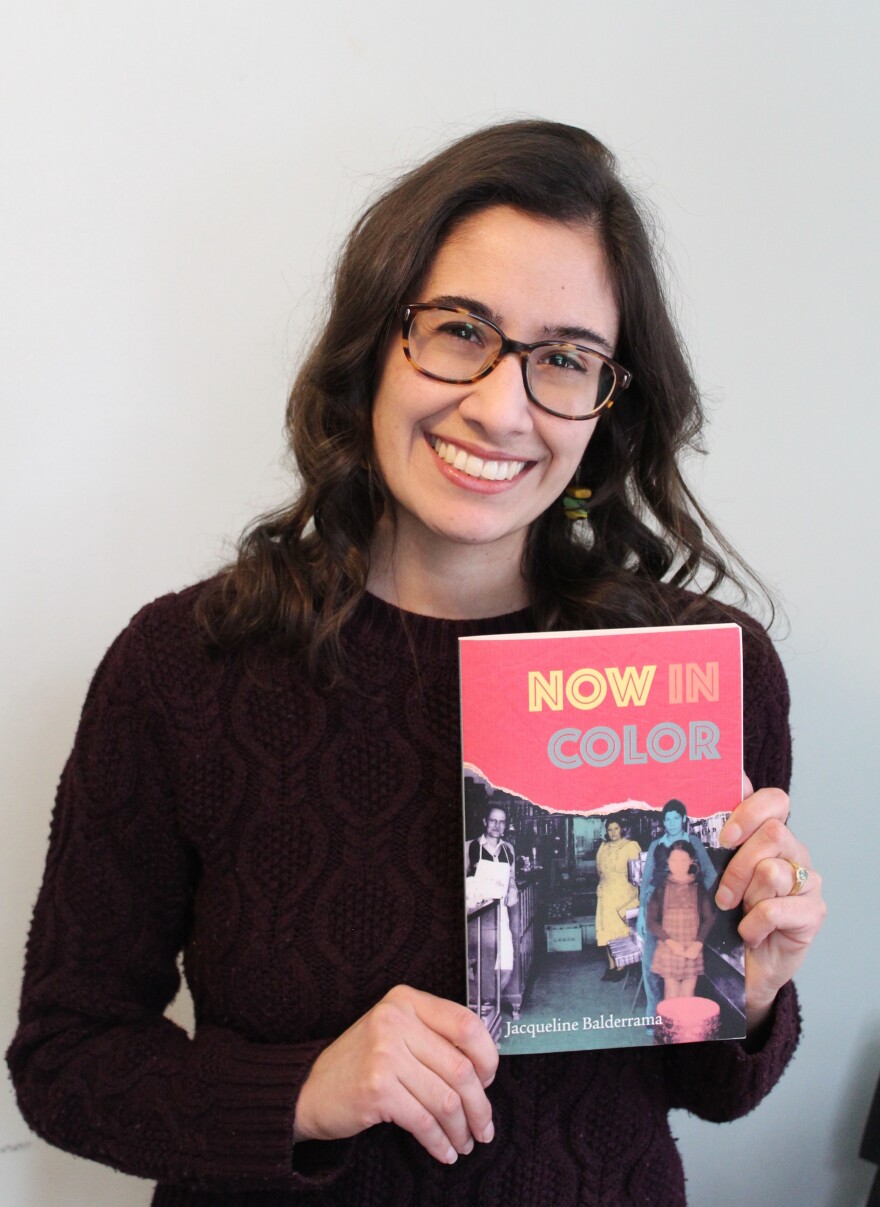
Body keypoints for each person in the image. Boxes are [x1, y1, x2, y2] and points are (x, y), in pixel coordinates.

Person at [7, 120, 826, 1206]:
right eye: (458, 330)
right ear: (374, 343)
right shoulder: (185, 667)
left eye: (564, 359)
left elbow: (706, 1090)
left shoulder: (697, 672)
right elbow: (64, 1061)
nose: (499, 404)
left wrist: (754, 992)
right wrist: (302, 1089)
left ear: (606, 407)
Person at [637, 799, 717, 1016]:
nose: (671, 823)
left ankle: (678, 1017)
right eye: (667, 819)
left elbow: (710, 874)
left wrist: (697, 897)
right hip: (656, 906)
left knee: (683, 967)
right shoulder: (656, 844)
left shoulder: (693, 842)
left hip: (683, 911)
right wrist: (642, 915)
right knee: (651, 963)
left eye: (675, 818)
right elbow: (646, 881)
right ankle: (653, 1016)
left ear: (683, 819)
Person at [647, 841, 715, 1001]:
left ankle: (684, 1026)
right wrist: (671, 943)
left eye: (683, 860)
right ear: (668, 861)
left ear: (692, 860)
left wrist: (698, 943)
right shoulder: (661, 887)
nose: (678, 865)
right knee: (671, 993)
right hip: (669, 946)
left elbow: (709, 918)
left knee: (688, 995)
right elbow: (651, 921)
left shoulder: (698, 887)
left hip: (692, 947)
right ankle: (671, 1026)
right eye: (673, 860)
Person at [465, 806, 519, 996]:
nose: (497, 825)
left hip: (501, 912)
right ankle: (483, 1004)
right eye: (493, 820)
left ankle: (491, 999)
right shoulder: (470, 847)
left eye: (502, 821)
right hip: (477, 915)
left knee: (505, 958)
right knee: (482, 960)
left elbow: (511, 877)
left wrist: (513, 888)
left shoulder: (508, 849)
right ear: (485, 822)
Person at [594, 817, 641, 981]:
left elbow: (638, 873)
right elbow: (599, 870)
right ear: (606, 831)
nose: (613, 833)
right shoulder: (603, 847)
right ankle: (612, 965)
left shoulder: (630, 846)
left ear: (622, 829)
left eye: (616, 829)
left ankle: (622, 966)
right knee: (606, 929)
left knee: (620, 930)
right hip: (606, 894)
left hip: (623, 894)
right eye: (610, 830)